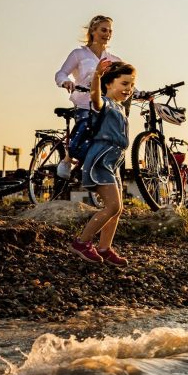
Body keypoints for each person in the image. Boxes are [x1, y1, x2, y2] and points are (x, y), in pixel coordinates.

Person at [69, 60, 136, 266]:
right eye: (124, 84)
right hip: (101, 159)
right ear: (109, 84)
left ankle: (104, 248)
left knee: (117, 208)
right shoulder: (104, 103)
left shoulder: (120, 107)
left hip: (113, 161)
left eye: (132, 85)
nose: (129, 89)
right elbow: (94, 97)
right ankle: (82, 242)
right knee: (112, 205)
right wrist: (97, 76)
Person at [54, 15, 121, 177]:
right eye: (103, 30)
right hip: (84, 103)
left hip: (104, 105)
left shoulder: (113, 59)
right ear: (93, 31)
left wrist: (140, 93)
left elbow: (125, 80)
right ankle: (67, 159)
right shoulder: (79, 54)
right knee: (86, 124)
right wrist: (66, 82)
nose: (107, 34)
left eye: (110, 31)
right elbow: (61, 73)